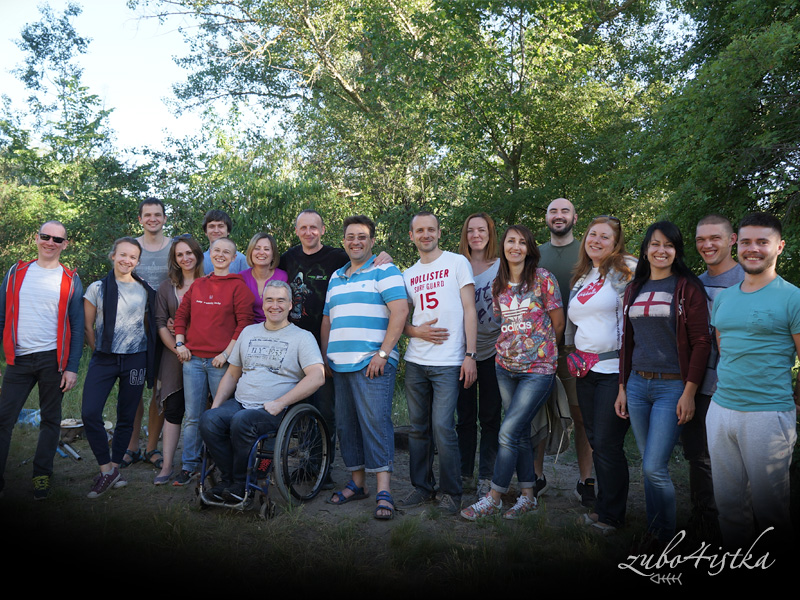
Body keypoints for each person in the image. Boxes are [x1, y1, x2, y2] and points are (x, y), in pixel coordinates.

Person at [614, 221, 710, 548]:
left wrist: (689, 392)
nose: (661, 250)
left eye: (668, 245)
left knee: (655, 467)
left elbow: (701, 343)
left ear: (676, 251)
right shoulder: (634, 288)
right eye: (655, 244)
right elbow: (627, 342)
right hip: (637, 386)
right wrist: (623, 388)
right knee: (648, 465)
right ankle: (655, 530)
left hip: (672, 388)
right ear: (645, 250)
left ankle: (665, 539)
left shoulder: (687, 287)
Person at [707, 212, 800, 551]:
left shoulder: (793, 297)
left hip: (768, 415)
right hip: (721, 410)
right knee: (729, 508)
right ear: (737, 245)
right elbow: (724, 347)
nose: (753, 248)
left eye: (763, 242)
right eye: (746, 241)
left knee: (771, 512)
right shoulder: (725, 297)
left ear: (779, 246)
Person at [280, 209, 391, 487]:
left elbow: (364, 260)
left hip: (327, 347)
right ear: (296, 231)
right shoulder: (287, 258)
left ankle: (322, 469)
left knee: (326, 410)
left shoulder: (338, 257)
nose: (308, 232)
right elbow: (263, 271)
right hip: (292, 344)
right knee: (300, 406)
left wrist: (384, 256)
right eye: (303, 227)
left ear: (323, 230)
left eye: (313, 227)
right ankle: (307, 463)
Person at [461, 225, 563, 520]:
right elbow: (502, 323)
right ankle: (528, 497)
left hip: (538, 369)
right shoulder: (499, 284)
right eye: (510, 241)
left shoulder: (543, 279)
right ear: (503, 246)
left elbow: (558, 323)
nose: (515, 247)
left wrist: (543, 352)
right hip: (504, 367)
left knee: (507, 431)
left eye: (522, 242)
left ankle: (493, 497)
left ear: (529, 248)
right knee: (518, 433)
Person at [199, 280, 325, 502]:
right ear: (263, 303)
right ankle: (229, 480)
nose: (274, 305)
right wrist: (216, 406)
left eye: (280, 300)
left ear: (290, 305)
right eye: (269, 300)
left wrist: (280, 402)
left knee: (242, 421)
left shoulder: (302, 337)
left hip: (275, 409)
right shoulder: (248, 332)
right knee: (209, 420)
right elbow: (232, 374)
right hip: (240, 403)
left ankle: (240, 484)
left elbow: (317, 376)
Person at [321, 215, 408, 519]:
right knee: (346, 426)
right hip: (339, 364)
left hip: (372, 363)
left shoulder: (385, 270)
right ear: (343, 241)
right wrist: (325, 357)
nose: (355, 241)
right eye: (350, 236)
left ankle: (384, 491)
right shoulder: (336, 277)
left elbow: (400, 311)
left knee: (376, 424)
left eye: (362, 236)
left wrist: (383, 354)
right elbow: (327, 320)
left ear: (372, 241)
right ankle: (358, 483)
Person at [399, 211, 477, 515]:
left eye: (431, 229)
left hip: (449, 361)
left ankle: (451, 492)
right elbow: (400, 320)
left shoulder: (457, 263)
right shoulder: (407, 274)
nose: (426, 234)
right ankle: (422, 487)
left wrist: (470, 354)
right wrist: (415, 332)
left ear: (439, 232)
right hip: (416, 361)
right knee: (418, 429)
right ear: (412, 236)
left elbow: (470, 310)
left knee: (443, 427)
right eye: (420, 230)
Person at [0, 221, 84, 500]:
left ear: (65, 244)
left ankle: (41, 475)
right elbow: (1, 317)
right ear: (36, 238)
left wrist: (72, 368)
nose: (50, 242)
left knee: (50, 419)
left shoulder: (70, 279)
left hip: (53, 360)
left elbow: (77, 326)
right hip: (19, 360)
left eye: (57, 239)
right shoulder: (15, 273)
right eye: (46, 237)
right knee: (3, 419)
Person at [565, 216, 636, 533]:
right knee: (596, 441)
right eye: (592, 234)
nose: (596, 240)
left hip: (614, 371)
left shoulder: (626, 269)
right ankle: (603, 507)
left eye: (605, 236)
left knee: (608, 443)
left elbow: (633, 319)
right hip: (586, 371)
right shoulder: (584, 275)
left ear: (616, 243)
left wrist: (625, 379)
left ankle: (613, 516)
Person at [173, 237, 254, 486]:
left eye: (226, 252)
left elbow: (244, 324)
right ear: (210, 253)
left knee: (220, 417)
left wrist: (226, 354)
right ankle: (189, 465)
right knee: (193, 416)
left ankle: (224, 466)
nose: (220, 255)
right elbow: (181, 315)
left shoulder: (239, 286)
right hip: (193, 361)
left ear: (234, 258)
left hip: (222, 363)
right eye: (216, 250)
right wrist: (180, 344)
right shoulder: (199, 284)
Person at [81, 237, 157, 498]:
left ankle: (113, 469)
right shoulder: (97, 288)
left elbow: (148, 324)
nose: (127, 260)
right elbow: (88, 326)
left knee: (127, 416)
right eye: (123, 254)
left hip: (135, 359)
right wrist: (101, 350)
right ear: (113, 255)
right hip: (104, 358)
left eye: (133, 257)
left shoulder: (144, 289)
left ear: (138, 261)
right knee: (90, 412)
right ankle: (107, 469)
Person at [685, 214, 743, 537]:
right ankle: (704, 522)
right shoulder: (694, 283)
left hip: (734, 386)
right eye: (700, 240)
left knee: (735, 460)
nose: (707, 245)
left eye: (714, 238)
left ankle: (740, 527)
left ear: (732, 240)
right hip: (697, 384)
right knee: (698, 456)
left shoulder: (747, 281)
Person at [537, 198, 594, 505]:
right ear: (546, 217)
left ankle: (586, 480)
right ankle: (536, 477)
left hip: (576, 348)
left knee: (581, 415)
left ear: (575, 217)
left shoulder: (587, 252)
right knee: (537, 414)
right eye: (553, 211)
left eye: (564, 211)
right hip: (538, 349)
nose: (558, 216)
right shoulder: (536, 254)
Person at [122, 197, 171, 471]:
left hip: (164, 328)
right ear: (140, 219)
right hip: (133, 328)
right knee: (133, 388)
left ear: (164, 218)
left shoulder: (174, 247)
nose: (153, 219)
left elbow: (184, 283)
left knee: (160, 389)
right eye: (147, 215)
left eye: (157, 214)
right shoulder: (131, 247)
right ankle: (131, 447)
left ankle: (152, 447)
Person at [455, 212, 502, 499]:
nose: (476, 235)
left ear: (490, 233)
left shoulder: (502, 266)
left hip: (495, 349)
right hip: (462, 351)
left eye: (481, 230)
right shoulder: (455, 265)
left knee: (490, 415)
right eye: (471, 230)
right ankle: (464, 473)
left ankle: (487, 475)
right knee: (464, 416)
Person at [152, 235, 204, 485]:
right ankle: (167, 465)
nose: (185, 258)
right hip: (174, 355)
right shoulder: (166, 287)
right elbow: (161, 323)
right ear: (174, 259)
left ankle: (199, 462)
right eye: (180, 254)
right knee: (173, 409)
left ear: (197, 254)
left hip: (204, 353)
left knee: (202, 410)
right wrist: (178, 349)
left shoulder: (209, 283)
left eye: (189, 253)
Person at [240, 232, 288, 322]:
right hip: (248, 327)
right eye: (257, 248)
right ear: (251, 252)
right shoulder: (241, 278)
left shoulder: (283, 277)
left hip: (276, 326)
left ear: (273, 254)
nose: (261, 252)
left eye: (266, 249)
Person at [201, 209, 248, 275]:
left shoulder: (241, 260)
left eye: (221, 226)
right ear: (206, 231)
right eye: (211, 226)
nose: (216, 230)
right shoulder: (200, 260)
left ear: (228, 231)